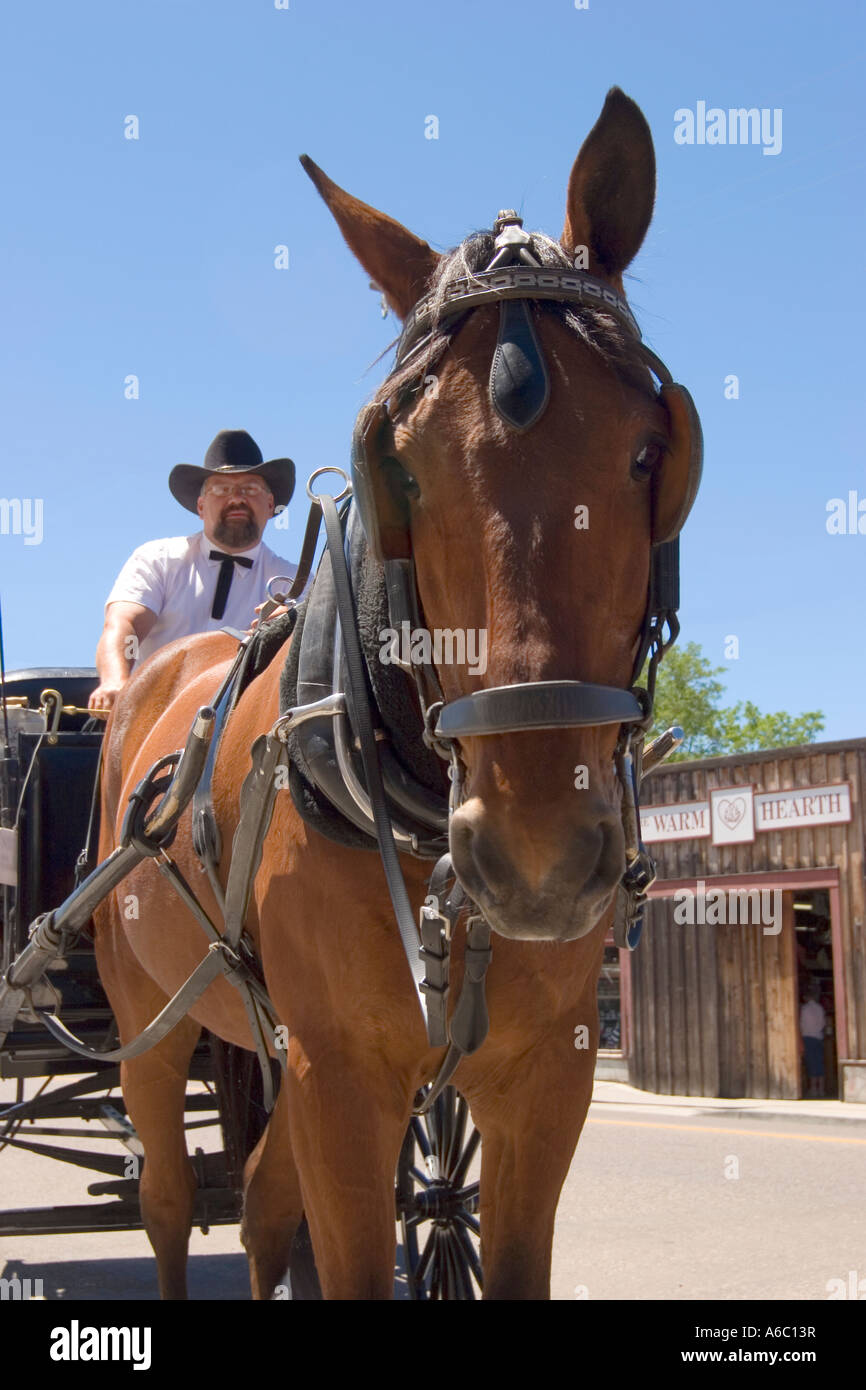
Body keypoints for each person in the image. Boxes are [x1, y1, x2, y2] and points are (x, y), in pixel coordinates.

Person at [89, 430, 297, 712]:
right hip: (152, 717)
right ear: (201, 506)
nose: (236, 499)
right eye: (221, 490)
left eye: (250, 489)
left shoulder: (295, 582)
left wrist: (292, 625)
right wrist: (115, 682)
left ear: (271, 505)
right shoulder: (157, 559)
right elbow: (124, 624)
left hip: (242, 726)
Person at [799, 981, 827, 1098]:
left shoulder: (804, 1009)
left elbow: (801, 1025)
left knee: (811, 1063)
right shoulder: (820, 1008)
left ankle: (813, 1089)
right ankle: (821, 1089)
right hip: (818, 1037)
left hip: (808, 1037)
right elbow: (823, 1024)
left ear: (806, 996)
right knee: (819, 1063)